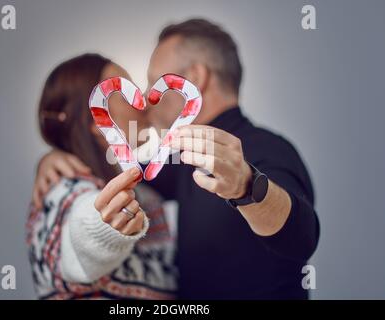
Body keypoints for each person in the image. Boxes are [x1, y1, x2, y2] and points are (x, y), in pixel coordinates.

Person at [32, 19, 320, 299]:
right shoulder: (179, 160)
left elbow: (302, 236)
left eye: (152, 81)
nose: (144, 97)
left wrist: (247, 187)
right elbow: (121, 177)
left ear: (194, 78)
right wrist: (60, 151)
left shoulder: (268, 149)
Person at [26, 53, 176, 299]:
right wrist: (107, 225)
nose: (144, 103)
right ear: (97, 116)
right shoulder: (62, 190)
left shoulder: (148, 191)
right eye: (127, 91)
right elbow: (81, 231)